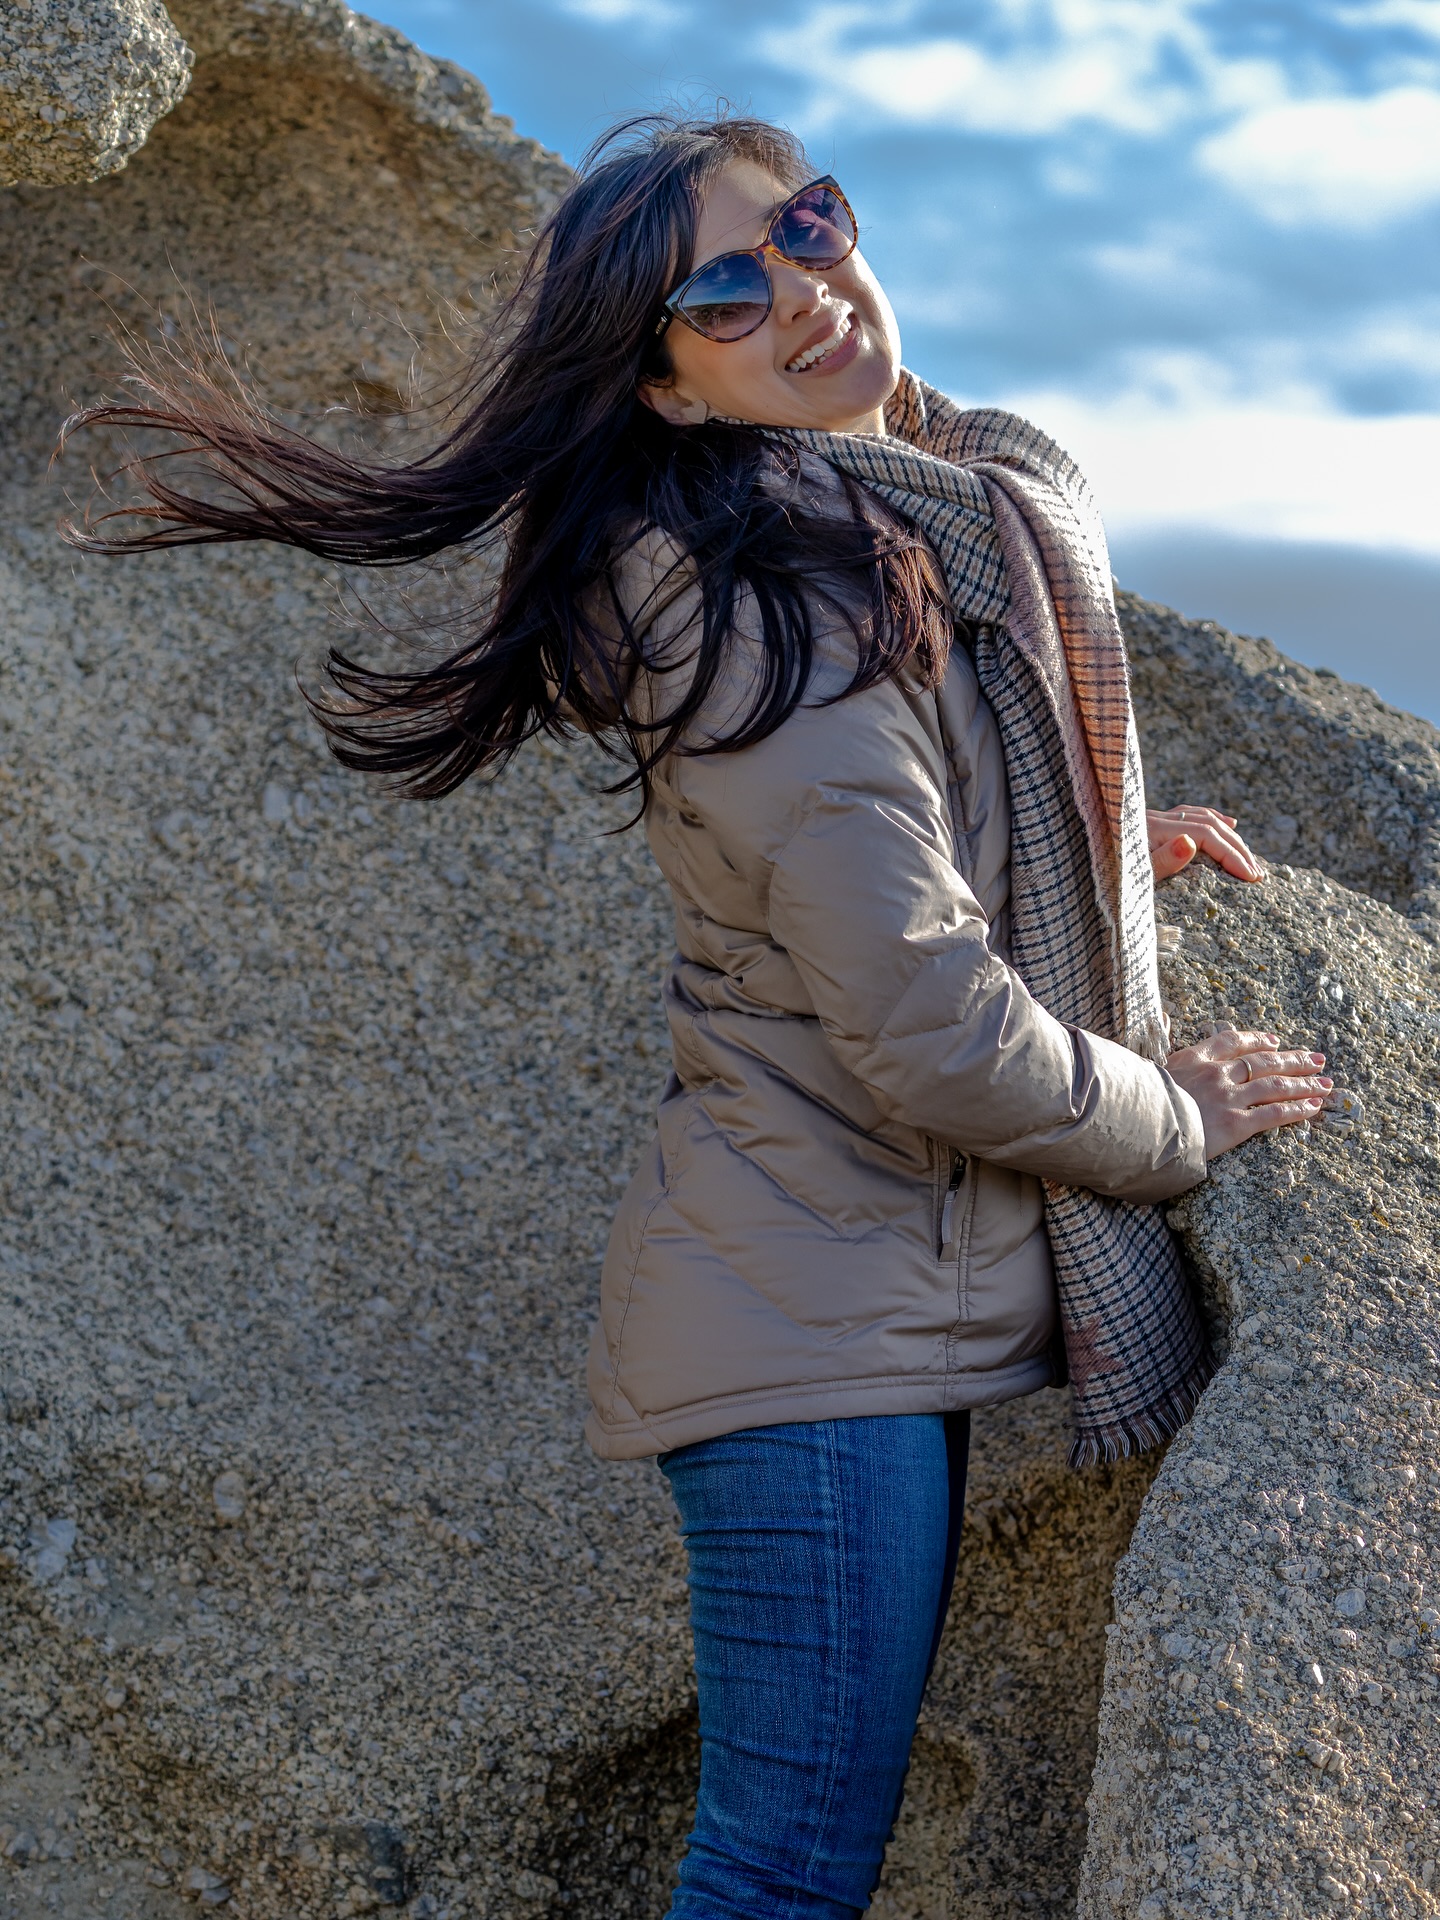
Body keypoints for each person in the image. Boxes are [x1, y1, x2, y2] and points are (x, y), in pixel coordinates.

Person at [66, 111, 1331, 1920]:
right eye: (726, 295)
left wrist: (1118, 845)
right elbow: (932, 1025)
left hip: (835, 1305)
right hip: (808, 1341)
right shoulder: (775, 628)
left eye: (808, 228)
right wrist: (1177, 1115)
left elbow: (945, 839)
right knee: (780, 1872)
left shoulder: (905, 543)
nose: (804, 291)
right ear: (665, 390)